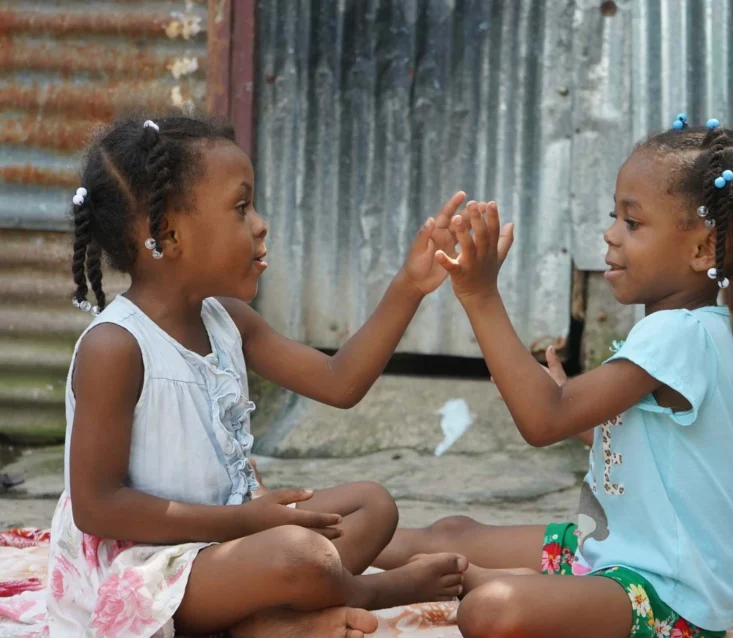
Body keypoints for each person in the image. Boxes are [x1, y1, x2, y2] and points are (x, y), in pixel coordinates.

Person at [376, 115, 733, 638]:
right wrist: (558, 395)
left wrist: (480, 294)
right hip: (612, 549)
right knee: (452, 532)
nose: (610, 234)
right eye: (613, 216)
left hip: (669, 596)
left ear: (701, 249)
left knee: (491, 609)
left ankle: (476, 582)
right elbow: (620, 437)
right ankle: (328, 555)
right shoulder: (685, 329)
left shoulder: (678, 334)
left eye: (633, 223)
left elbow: (543, 421)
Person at [47, 114, 469, 638]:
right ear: (168, 234)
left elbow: (339, 381)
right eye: (241, 207)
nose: (261, 224)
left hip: (230, 543)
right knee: (299, 554)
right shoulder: (116, 347)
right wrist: (245, 522)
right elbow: (97, 508)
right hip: (142, 571)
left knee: (372, 505)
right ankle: (367, 592)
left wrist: (409, 285)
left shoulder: (228, 321)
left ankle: (265, 621)